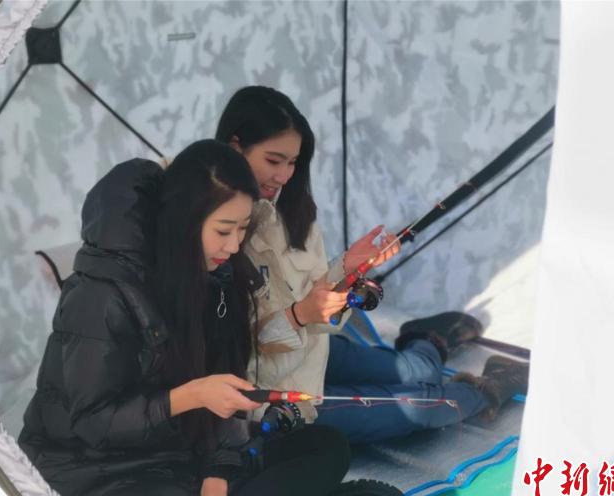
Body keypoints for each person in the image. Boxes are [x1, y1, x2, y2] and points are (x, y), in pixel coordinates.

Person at [18, 140, 407, 496]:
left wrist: (215, 483)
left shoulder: (219, 279)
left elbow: (227, 397)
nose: (234, 245)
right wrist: (190, 396)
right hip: (97, 476)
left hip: (179, 462)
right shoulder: (101, 293)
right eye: (223, 230)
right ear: (185, 221)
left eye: (243, 228)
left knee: (325, 447)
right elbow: (93, 423)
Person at [215, 86, 529, 443]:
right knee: (424, 405)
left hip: (308, 349)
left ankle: (427, 338)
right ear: (235, 147)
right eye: (274, 161)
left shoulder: (285, 210)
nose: (285, 175)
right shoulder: (210, 227)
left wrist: (348, 267)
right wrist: (300, 315)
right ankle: (489, 387)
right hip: (271, 392)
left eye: (293, 163)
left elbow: (310, 302)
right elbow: (236, 343)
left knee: (420, 371)